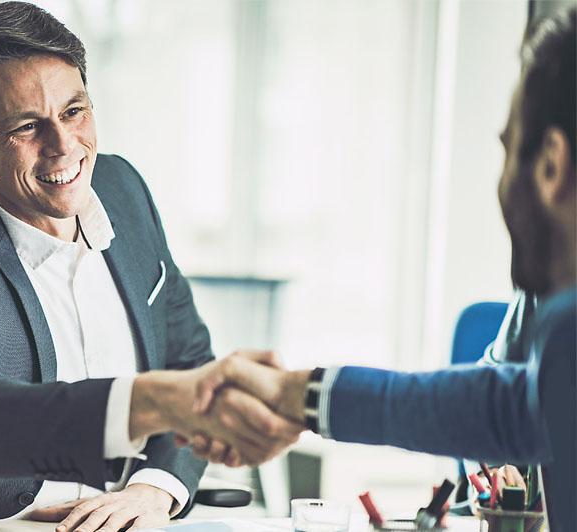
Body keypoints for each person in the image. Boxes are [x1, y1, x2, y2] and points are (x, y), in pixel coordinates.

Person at [0, 2, 302, 530]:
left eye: (74, 112)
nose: (64, 146)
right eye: (27, 127)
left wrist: (153, 488)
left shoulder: (123, 190)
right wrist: (153, 402)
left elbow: (189, 360)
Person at [186, 4, 576, 526]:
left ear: (552, 164)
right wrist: (292, 396)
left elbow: (502, 412)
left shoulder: (566, 323)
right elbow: (498, 409)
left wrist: (292, 396)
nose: (501, 184)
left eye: (508, 152)